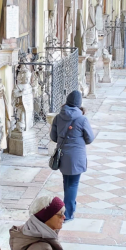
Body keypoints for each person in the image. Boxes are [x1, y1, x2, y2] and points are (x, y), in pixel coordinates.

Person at [49, 89, 95, 221]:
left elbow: (53, 137)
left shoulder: (58, 117)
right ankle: (68, 214)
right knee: (73, 184)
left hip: (62, 155)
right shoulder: (82, 119)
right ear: (79, 104)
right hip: (76, 157)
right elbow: (89, 139)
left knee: (67, 182)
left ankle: (69, 208)